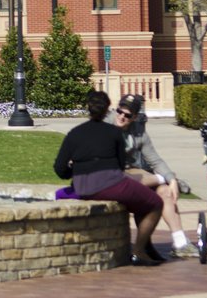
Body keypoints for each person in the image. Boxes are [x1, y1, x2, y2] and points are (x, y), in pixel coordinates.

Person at [53, 90, 164, 266]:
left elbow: (59, 168)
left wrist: (74, 172)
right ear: (107, 111)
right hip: (110, 184)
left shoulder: (74, 133)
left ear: (88, 109)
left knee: (140, 199)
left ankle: (145, 247)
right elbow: (120, 167)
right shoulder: (114, 133)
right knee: (155, 202)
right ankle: (139, 250)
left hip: (82, 187)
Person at [113, 93, 194, 260]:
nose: (121, 117)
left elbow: (154, 159)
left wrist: (171, 180)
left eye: (127, 115)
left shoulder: (138, 131)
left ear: (134, 117)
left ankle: (180, 243)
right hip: (110, 173)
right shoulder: (105, 124)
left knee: (165, 191)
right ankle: (164, 179)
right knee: (141, 182)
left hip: (131, 172)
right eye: (119, 111)